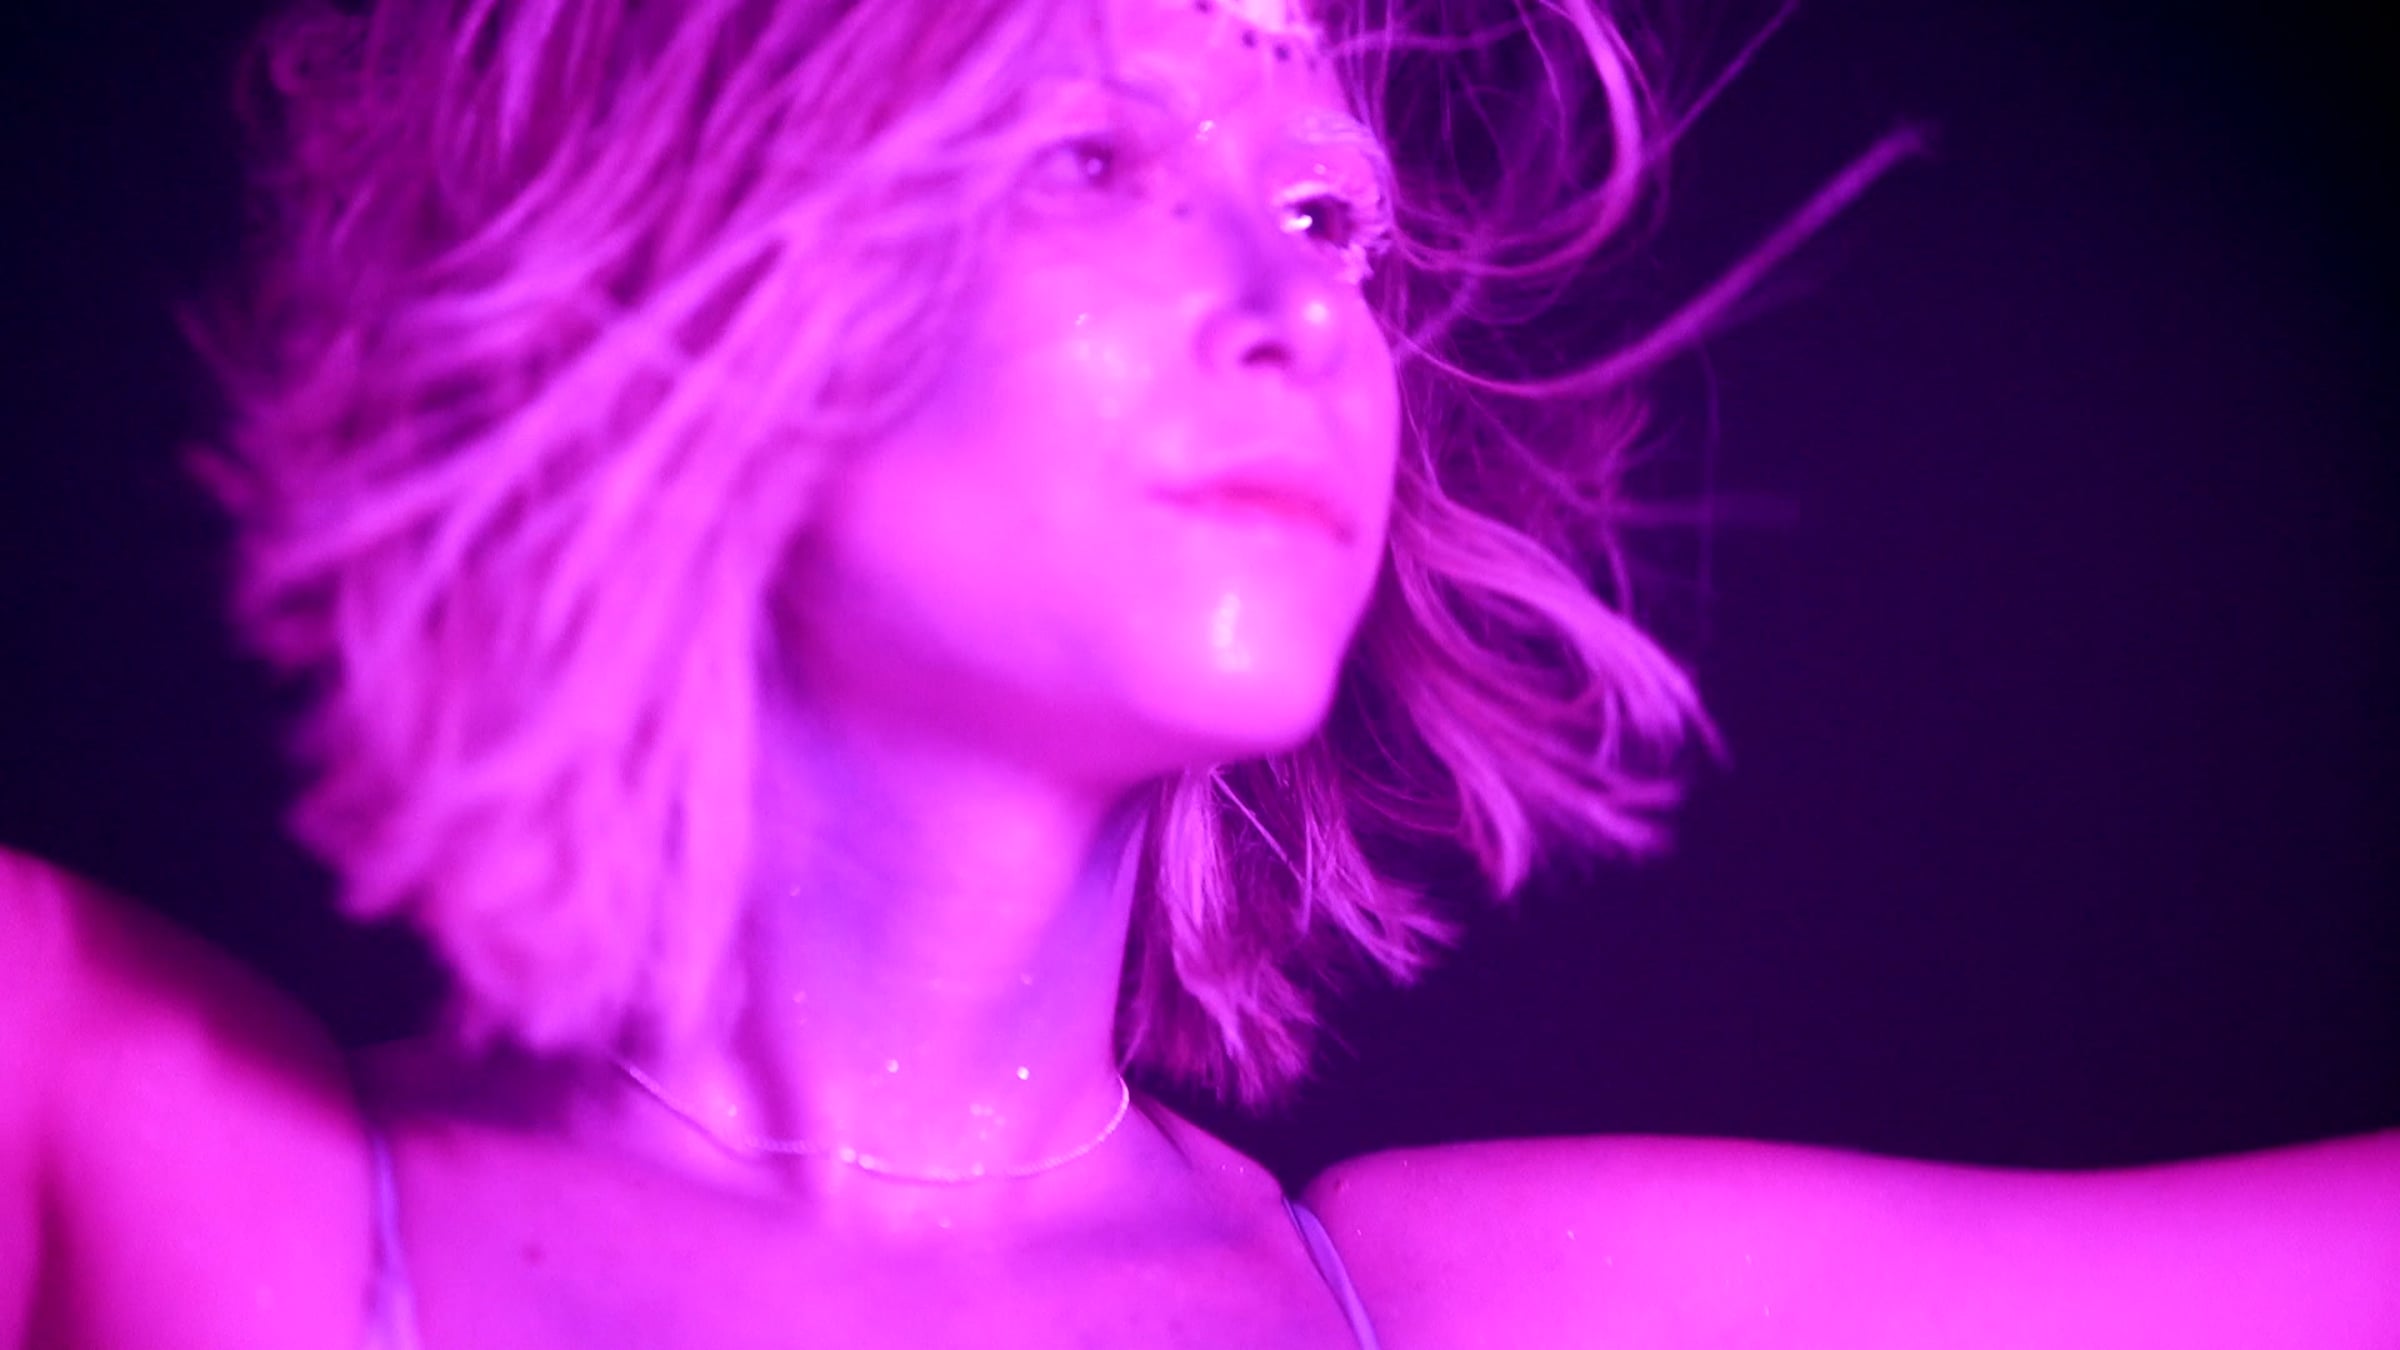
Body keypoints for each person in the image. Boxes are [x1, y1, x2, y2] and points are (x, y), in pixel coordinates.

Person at [3, 0, 2393, 1345]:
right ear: (704, 279)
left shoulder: (1487, 1314)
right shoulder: (180, 1166)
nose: (1297, 308)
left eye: (1329, 209)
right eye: (1088, 164)